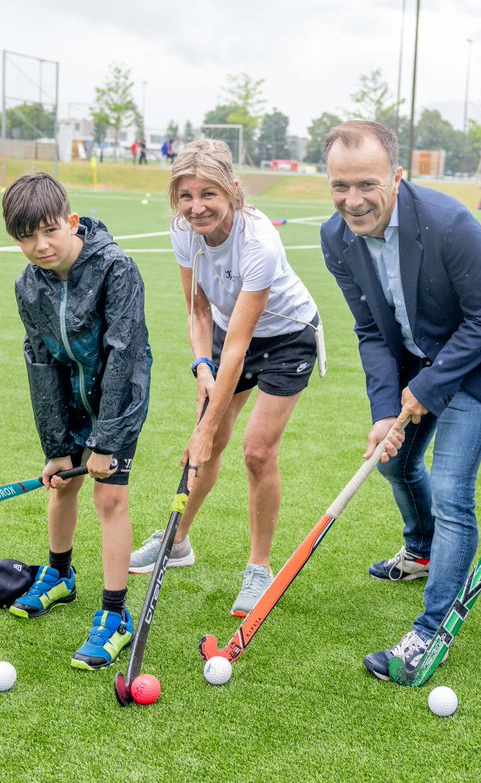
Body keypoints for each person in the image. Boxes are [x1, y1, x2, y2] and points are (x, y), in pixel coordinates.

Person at [319, 120, 481, 680]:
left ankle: (432, 632)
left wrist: (427, 388)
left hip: (476, 365)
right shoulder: (336, 238)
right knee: (396, 462)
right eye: (340, 186)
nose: (353, 201)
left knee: (451, 489)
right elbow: (371, 330)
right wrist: (386, 412)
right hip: (412, 361)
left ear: (397, 177)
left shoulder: (449, 222)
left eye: (367, 185)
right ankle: (422, 550)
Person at [128, 138, 322, 618]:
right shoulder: (183, 231)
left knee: (256, 451)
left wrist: (204, 427)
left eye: (208, 194)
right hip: (225, 328)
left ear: (232, 190)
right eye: (186, 196)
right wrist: (201, 366)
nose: (196, 207)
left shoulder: (259, 243)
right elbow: (198, 309)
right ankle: (176, 542)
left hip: (286, 336)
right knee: (209, 442)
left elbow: (239, 345)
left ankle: (259, 568)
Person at [2, 172, 152, 670]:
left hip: (117, 396)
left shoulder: (116, 268)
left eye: (49, 231)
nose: (40, 246)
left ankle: (115, 614)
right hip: (68, 397)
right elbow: (40, 360)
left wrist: (105, 441)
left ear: (70, 221)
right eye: (26, 237)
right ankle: (60, 576)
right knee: (63, 483)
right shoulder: (28, 286)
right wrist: (55, 446)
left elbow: (124, 354)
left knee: (109, 497)